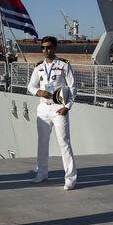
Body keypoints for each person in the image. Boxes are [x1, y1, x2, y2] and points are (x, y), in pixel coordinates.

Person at [27, 36, 77, 191]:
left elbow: (73, 88)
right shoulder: (38, 67)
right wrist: (38, 91)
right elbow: (30, 86)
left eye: (48, 47)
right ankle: (42, 172)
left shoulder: (64, 65)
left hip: (58, 109)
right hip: (43, 109)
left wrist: (67, 106)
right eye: (43, 48)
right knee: (42, 142)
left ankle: (70, 178)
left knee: (64, 143)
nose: (45, 50)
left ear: (55, 48)